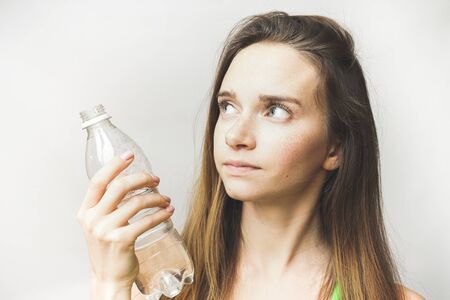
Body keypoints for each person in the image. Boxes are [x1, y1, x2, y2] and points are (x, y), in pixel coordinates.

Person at [77, 11, 425, 300]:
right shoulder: (160, 291)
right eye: (227, 107)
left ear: (335, 148)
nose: (236, 135)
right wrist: (108, 284)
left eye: (275, 110)